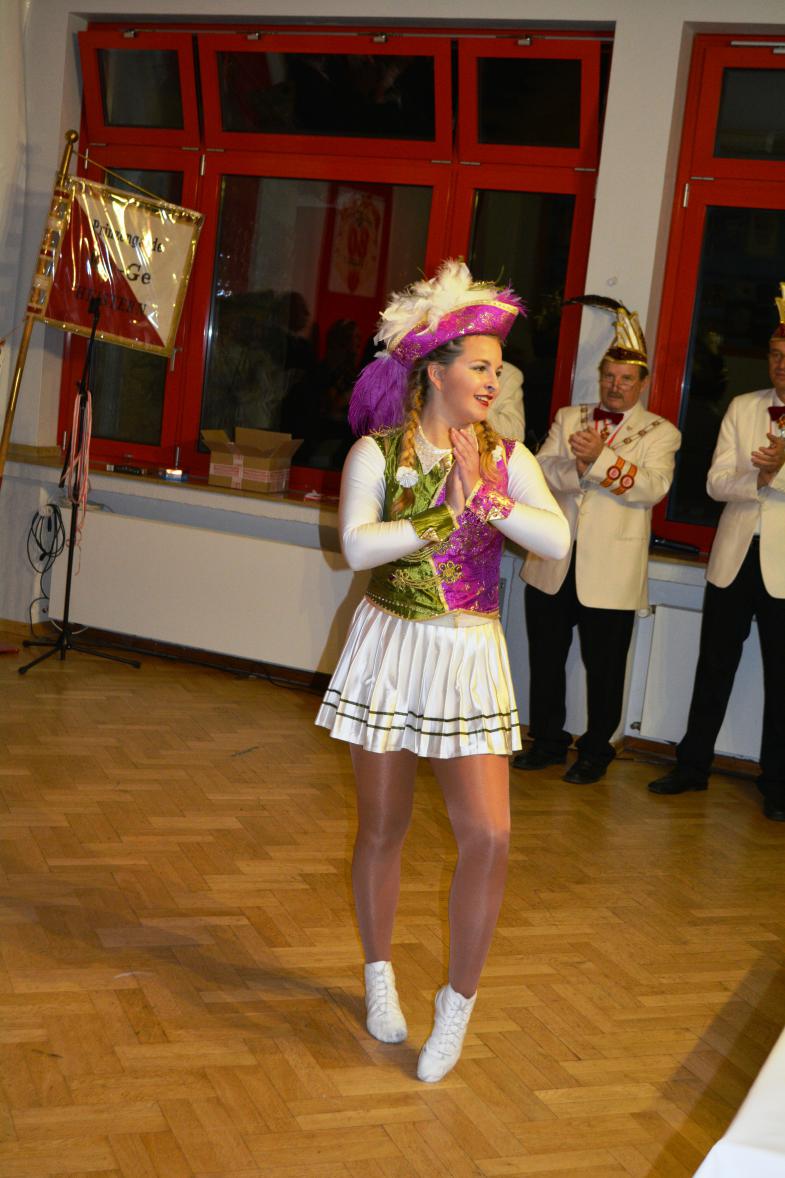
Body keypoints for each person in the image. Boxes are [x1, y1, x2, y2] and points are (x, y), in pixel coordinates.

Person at [315, 260, 570, 1082]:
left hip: (468, 654)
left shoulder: (509, 457)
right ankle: (378, 975)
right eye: (481, 366)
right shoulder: (376, 453)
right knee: (382, 828)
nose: (494, 381)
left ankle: (456, 1006)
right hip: (391, 647)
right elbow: (357, 546)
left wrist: (485, 497)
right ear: (435, 371)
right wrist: (443, 510)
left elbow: (555, 540)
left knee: (490, 834)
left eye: (499, 369)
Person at [514, 297, 681, 784]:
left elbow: (651, 489)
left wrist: (599, 461)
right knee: (545, 658)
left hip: (611, 572)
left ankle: (595, 751)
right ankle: (547, 740)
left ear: (642, 384)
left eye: (626, 379)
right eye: (609, 376)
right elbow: (539, 471)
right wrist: (580, 466)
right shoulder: (571, 416)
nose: (614, 385)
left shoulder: (660, 432)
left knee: (604, 668)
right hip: (554, 560)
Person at [648, 284, 785, 821]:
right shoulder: (743, 407)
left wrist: (777, 475)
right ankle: (692, 765)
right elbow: (715, 482)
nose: (780, 365)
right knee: (713, 667)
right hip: (733, 559)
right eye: (774, 355)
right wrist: (761, 478)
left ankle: (777, 783)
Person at [487, 361, 525, 441]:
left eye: (497, 374)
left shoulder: (507, 375)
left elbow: (516, 436)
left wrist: (476, 406)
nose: (494, 385)